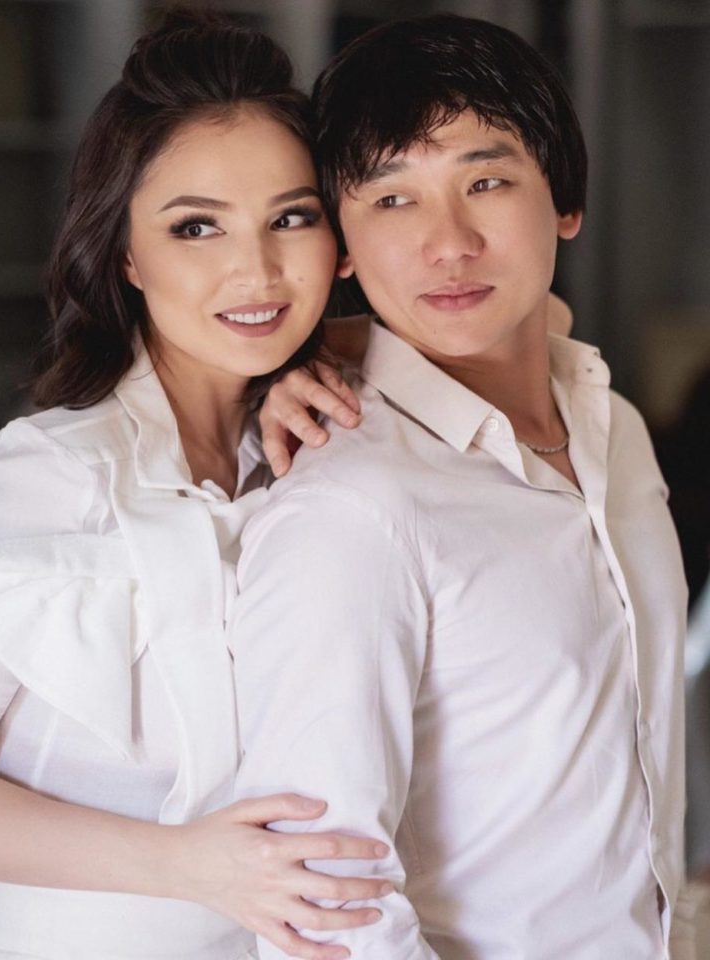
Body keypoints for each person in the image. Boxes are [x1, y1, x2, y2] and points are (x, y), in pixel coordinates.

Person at [230, 13, 695, 959]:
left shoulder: (615, 430)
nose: (448, 243)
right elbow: (325, 906)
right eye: (392, 199)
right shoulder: (351, 509)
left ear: (564, 199)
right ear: (343, 246)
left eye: (486, 182)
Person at [0, 11, 393, 960]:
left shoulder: (324, 439)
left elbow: (538, 328)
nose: (255, 270)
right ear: (126, 255)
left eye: (291, 218)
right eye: (196, 227)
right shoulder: (55, 475)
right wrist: (186, 865)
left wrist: (341, 350)